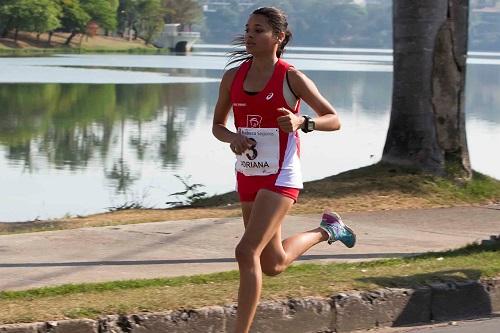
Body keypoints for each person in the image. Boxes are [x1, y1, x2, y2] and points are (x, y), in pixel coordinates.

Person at [211, 7, 356, 333]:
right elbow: (218, 126)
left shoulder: (292, 77)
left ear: (279, 37)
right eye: (248, 29)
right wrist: (233, 137)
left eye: (259, 30)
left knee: (246, 251)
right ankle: (328, 230)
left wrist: (303, 122)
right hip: (248, 172)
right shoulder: (233, 77)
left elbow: (333, 119)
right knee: (272, 263)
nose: (249, 35)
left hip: (282, 175)